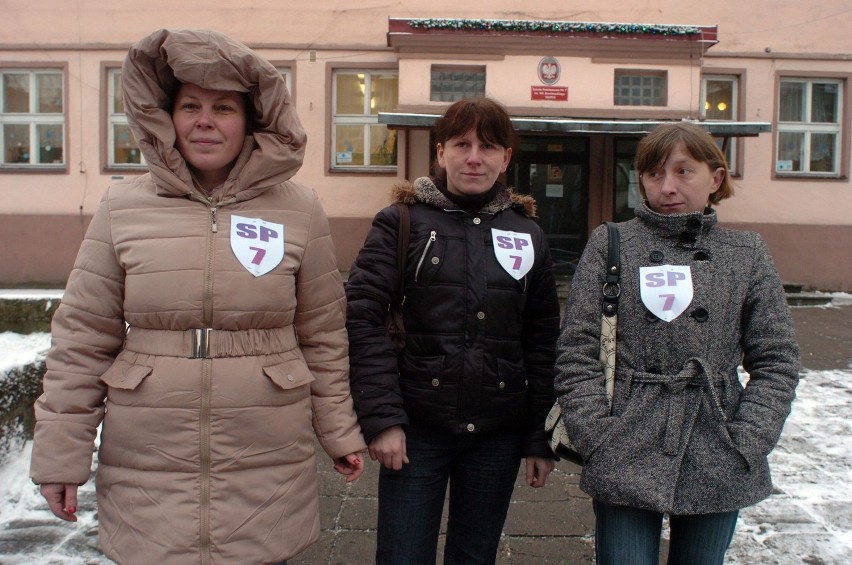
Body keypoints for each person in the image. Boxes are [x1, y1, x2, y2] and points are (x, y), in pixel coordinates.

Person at [29, 28, 366, 564]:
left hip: (267, 452)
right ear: (166, 116)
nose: (205, 121)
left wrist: (340, 431)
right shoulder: (122, 207)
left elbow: (323, 335)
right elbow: (82, 340)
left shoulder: (300, 208)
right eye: (191, 106)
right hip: (149, 457)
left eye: (224, 107)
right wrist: (60, 458)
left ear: (253, 120)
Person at [555, 122, 800, 565]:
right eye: (653, 174)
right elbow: (577, 349)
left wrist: (748, 437)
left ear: (716, 178)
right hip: (626, 435)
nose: (667, 186)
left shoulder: (745, 253)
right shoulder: (612, 242)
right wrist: (596, 433)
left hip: (717, 438)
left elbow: (777, 359)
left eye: (684, 171)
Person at [345, 97, 561, 564]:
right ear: (440, 153)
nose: (474, 157)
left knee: (475, 555)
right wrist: (382, 418)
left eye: (488, 146)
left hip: (496, 433)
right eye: (462, 144)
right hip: (417, 429)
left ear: (506, 159)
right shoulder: (400, 222)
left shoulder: (528, 234)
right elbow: (363, 318)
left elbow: (542, 338)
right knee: (403, 554)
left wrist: (539, 436)